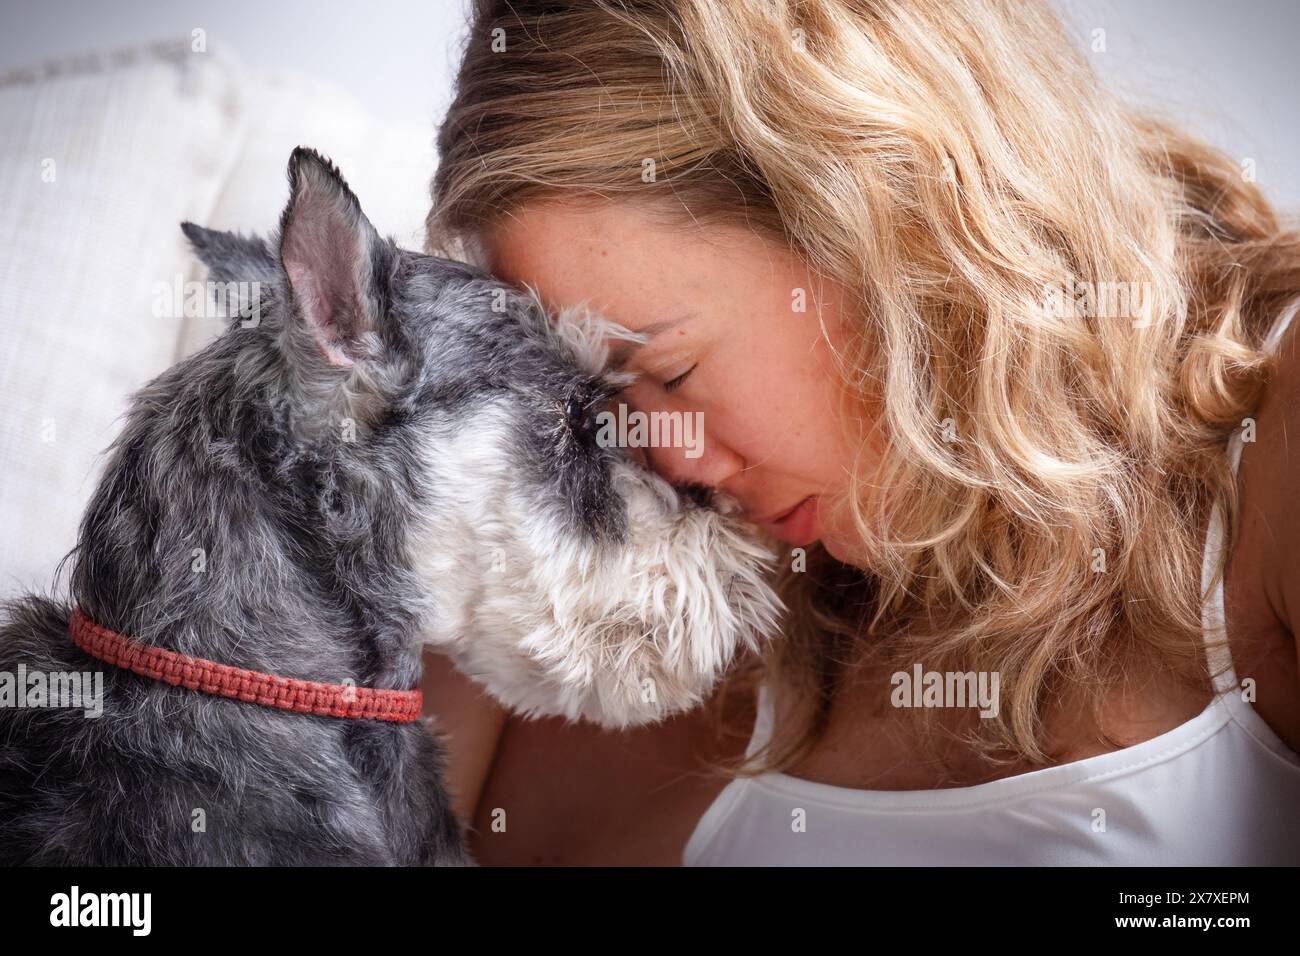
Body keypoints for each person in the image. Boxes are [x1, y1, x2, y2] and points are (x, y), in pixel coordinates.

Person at [419, 0, 1300, 864]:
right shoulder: (672, 609)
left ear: (890, 217)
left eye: (675, 370)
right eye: (607, 395)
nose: (669, 458)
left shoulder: (1271, 430)